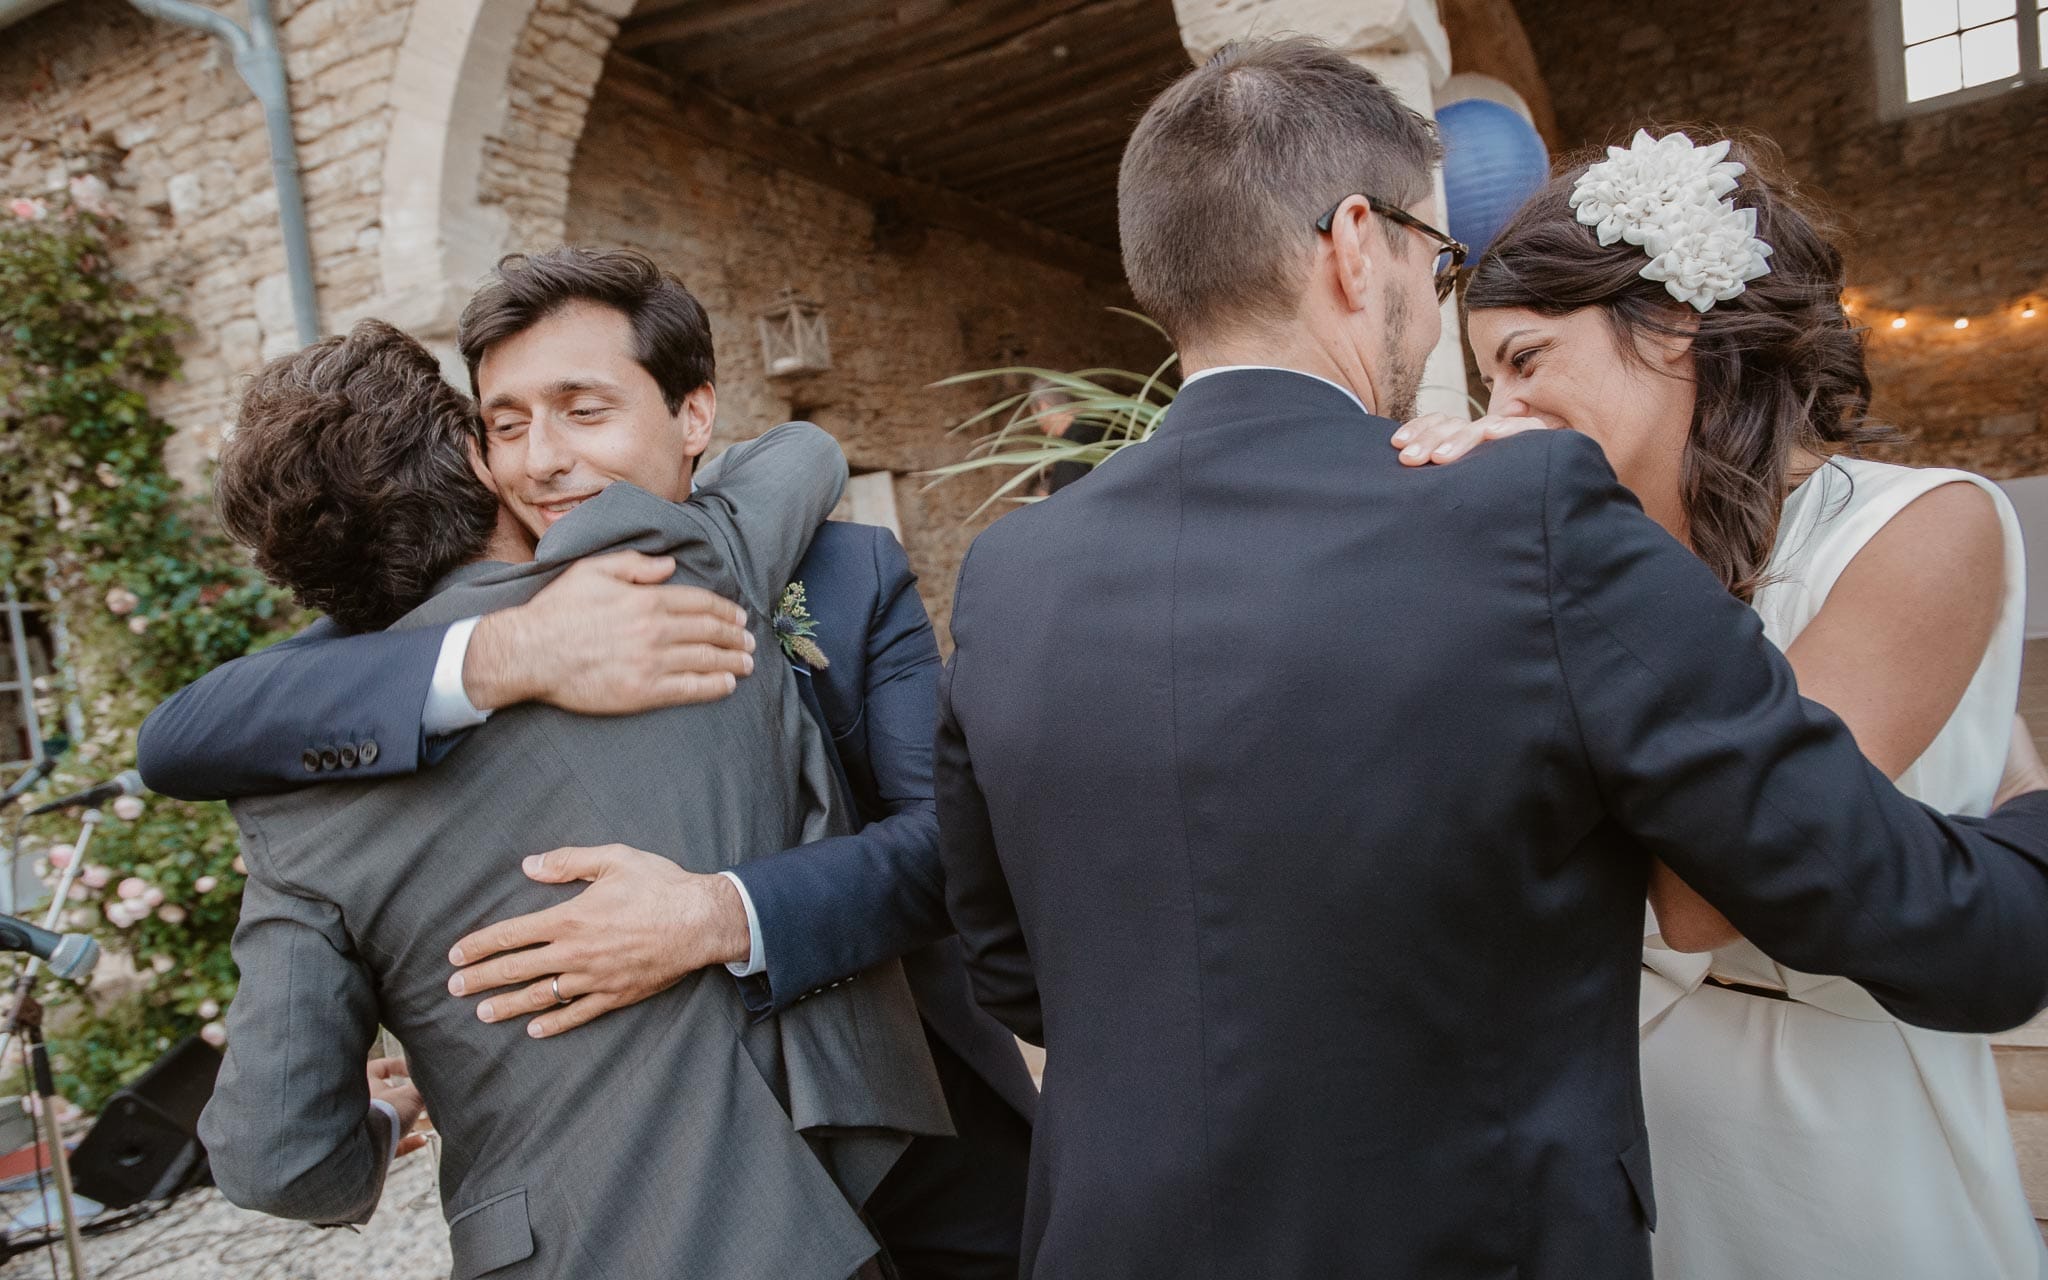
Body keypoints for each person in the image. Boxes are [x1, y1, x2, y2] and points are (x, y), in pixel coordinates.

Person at [933, 36, 2048, 1280]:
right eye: (1435, 253)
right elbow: (1883, 898)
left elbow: (1009, 966)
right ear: (1357, 244)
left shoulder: (1009, 573)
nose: (1440, 305)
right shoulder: (1524, 517)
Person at [140, 248, 1035, 1280]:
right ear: (470, 458)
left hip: (908, 1125)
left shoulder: (740, 554)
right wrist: (504, 653)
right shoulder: (661, 566)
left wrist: (716, 912)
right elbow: (177, 733)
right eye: (507, 424)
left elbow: (276, 1156)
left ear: (691, 416)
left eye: (581, 409)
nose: (541, 460)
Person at [1393, 129, 2048, 1278]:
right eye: (1488, 375)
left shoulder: (1921, 524)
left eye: (1525, 358)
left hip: (1823, 1129)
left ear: (1675, 326)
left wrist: (1561, 546)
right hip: (1614, 1110)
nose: (1502, 404)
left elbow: (1709, 892)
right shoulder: (1593, 555)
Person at [1025, 378, 1105, 495]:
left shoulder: (1072, 445)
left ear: (1043, 407)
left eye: (1035, 416)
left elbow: (1069, 504)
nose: (1038, 421)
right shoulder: (1106, 426)